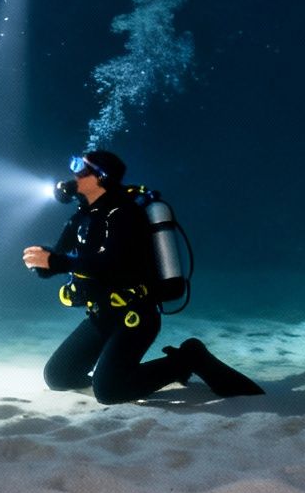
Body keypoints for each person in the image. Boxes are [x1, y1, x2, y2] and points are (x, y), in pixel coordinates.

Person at [22, 150, 264, 404]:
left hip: (134, 317)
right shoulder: (81, 218)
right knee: (59, 376)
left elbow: (109, 265)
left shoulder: (125, 215)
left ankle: (187, 360)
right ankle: (124, 371)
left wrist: (57, 263)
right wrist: (44, 265)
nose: (73, 175)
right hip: (100, 315)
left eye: (82, 170)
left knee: (109, 392)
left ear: (102, 177)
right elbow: (62, 258)